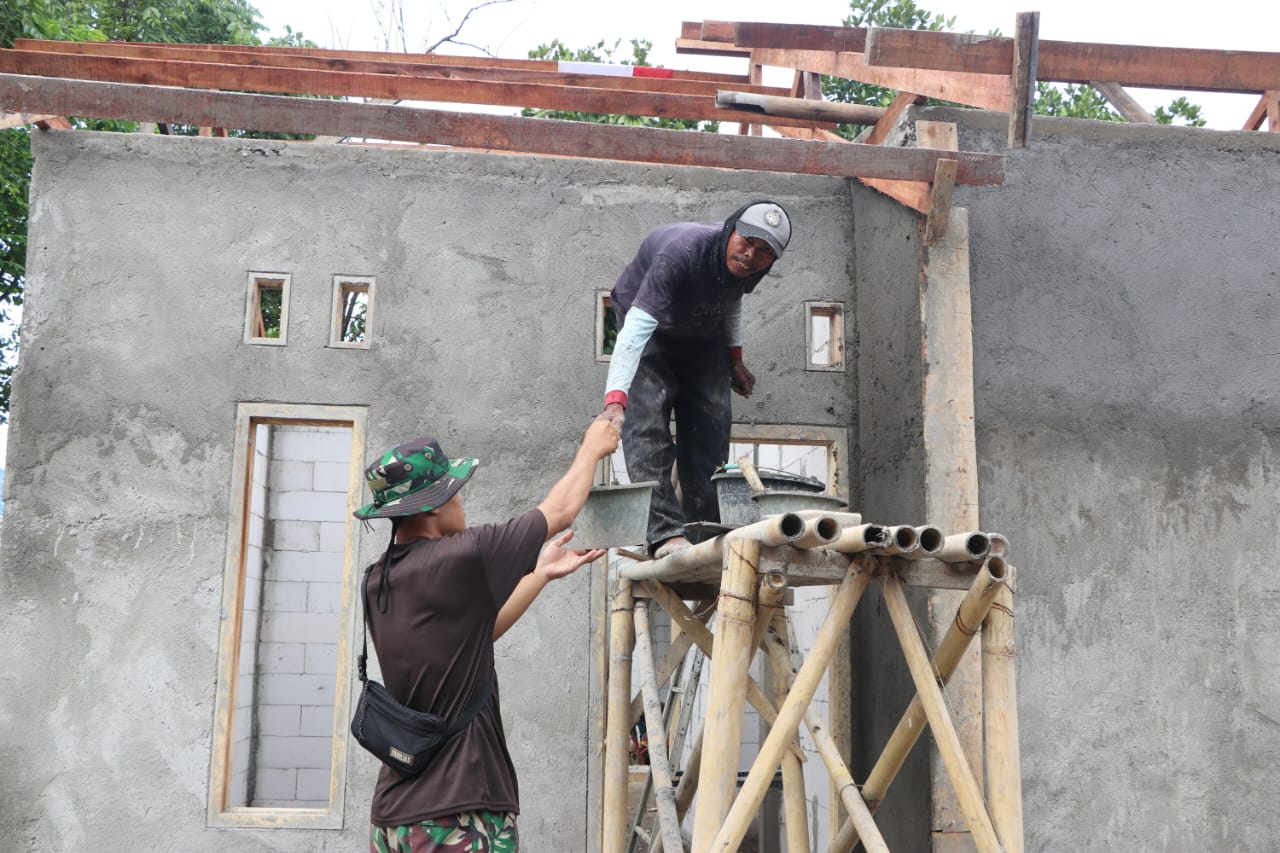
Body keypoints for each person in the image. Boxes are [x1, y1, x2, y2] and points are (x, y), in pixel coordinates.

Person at [353, 416, 620, 852]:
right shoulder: (462, 557)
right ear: (435, 502)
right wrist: (592, 447)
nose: (462, 502)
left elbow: (476, 635)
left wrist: (541, 572)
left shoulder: (378, 579)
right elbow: (560, 511)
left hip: (394, 821)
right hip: (456, 815)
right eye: (457, 491)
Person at [600, 199, 792, 558]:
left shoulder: (747, 269)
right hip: (648, 325)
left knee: (711, 427)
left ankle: (704, 534)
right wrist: (615, 401)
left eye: (764, 251)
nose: (751, 254)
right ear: (730, 230)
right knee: (646, 425)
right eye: (747, 241)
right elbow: (633, 332)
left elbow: (731, 300)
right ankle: (664, 533)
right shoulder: (680, 255)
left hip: (700, 332)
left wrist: (734, 358)